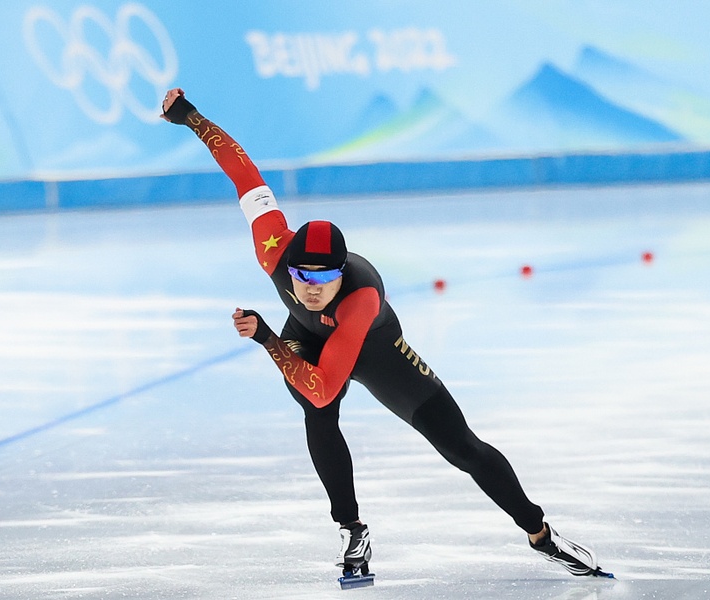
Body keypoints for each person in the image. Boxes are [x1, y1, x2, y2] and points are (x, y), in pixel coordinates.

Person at [160, 88, 610, 580]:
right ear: (285, 264)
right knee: (317, 414)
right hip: (307, 338)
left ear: (341, 274)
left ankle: (540, 533)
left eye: (322, 279)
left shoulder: (360, 299)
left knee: (461, 447)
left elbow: (326, 382)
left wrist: (268, 339)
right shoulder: (272, 247)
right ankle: (352, 527)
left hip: (374, 348)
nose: (309, 289)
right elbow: (242, 170)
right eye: (300, 277)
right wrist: (191, 117)